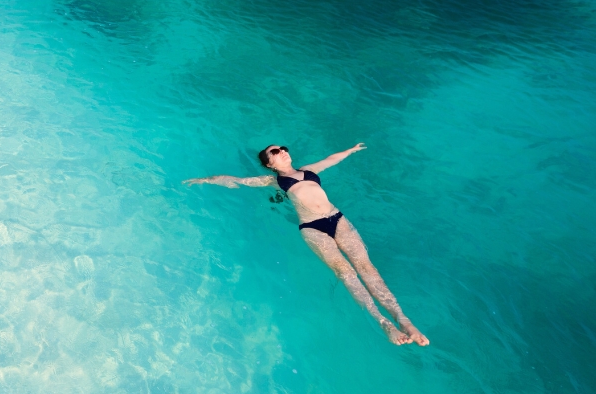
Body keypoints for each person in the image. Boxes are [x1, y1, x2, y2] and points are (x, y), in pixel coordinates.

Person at [184, 143, 429, 346]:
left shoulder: (309, 170)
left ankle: (403, 319)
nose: (282, 151)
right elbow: (238, 180)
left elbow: (330, 159)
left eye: (283, 148)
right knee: (345, 273)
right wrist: (206, 179)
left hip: (338, 219)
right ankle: (384, 324)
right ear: (270, 164)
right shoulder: (273, 182)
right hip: (313, 229)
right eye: (275, 152)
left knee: (367, 267)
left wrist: (351, 150)